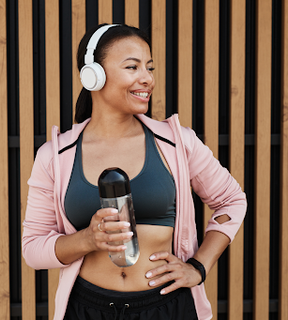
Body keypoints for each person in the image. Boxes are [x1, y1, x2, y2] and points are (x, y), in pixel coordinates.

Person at [22, 23, 246, 320]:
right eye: (132, 67)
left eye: (149, 68)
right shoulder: (56, 155)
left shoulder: (177, 143)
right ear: (94, 75)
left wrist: (198, 266)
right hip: (87, 309)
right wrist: (88, 239)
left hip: (167, 306)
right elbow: (33, 248)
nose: (147, 79)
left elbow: (231, 200)